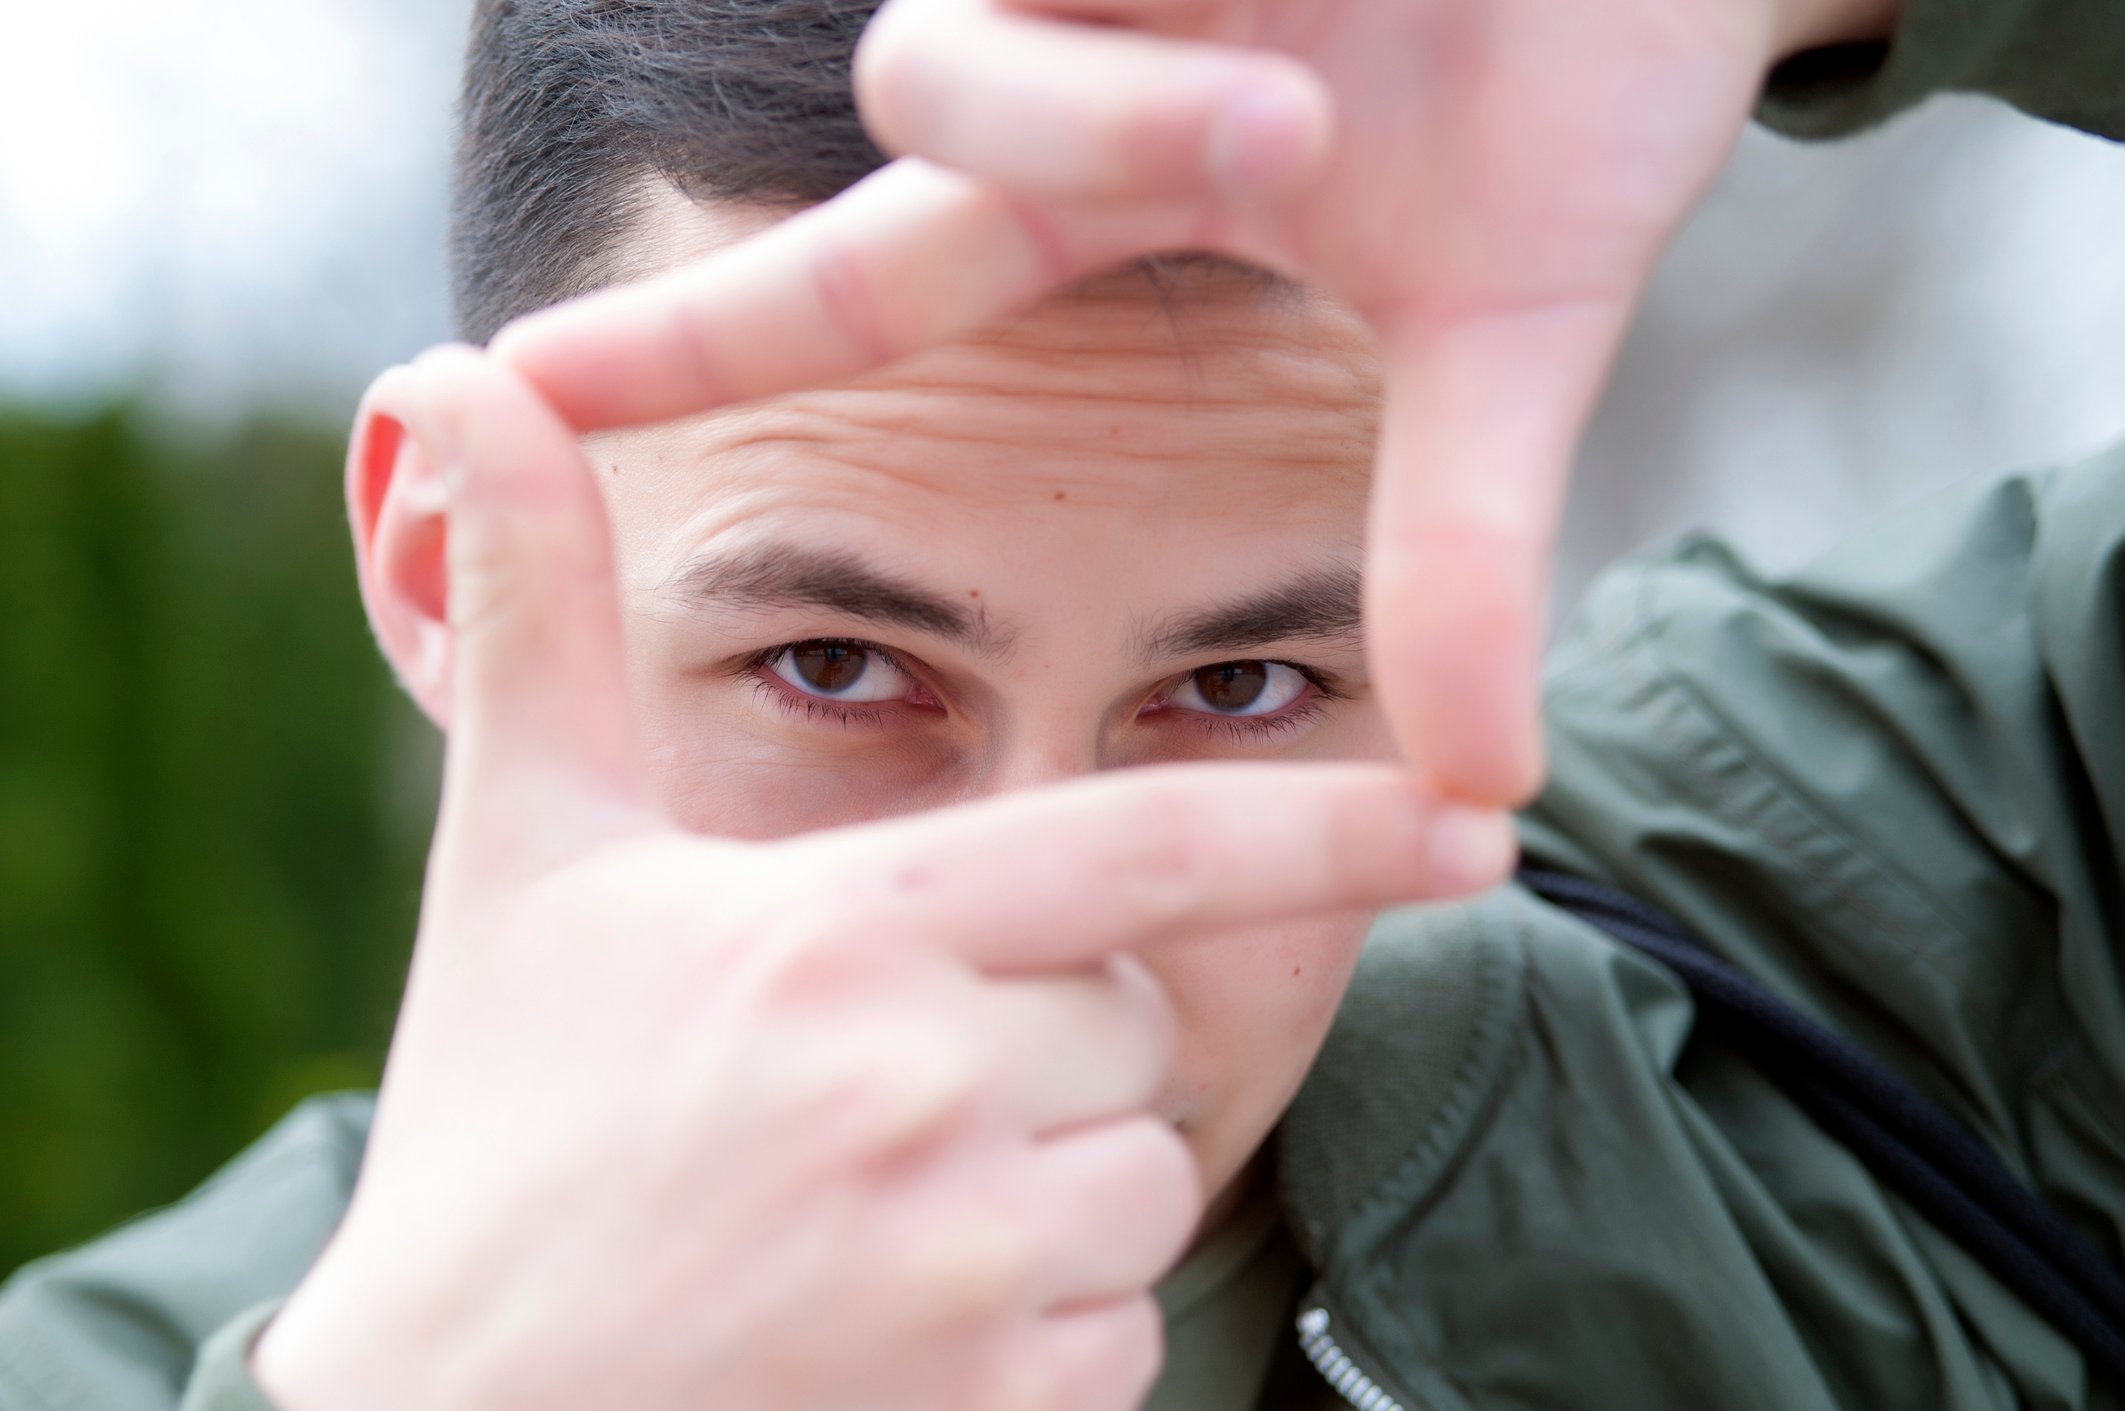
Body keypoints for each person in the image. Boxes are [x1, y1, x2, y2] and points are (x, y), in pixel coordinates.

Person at [2, 1, 2120, 1410]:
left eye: (1244, 682)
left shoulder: (1916, 900)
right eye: (834, 669)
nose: (1043, 912)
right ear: (443, 568)